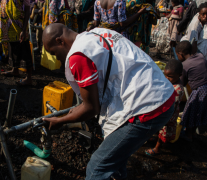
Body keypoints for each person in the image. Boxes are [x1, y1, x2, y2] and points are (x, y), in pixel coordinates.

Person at [42, 23, 176, 180]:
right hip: (161, 92)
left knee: (96, 168)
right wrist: (76, 110)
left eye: (54, 53)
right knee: (116, 160)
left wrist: (61, 121)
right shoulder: (97, 33)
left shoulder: (78, 56)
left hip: (147, 106)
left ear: (60, 41)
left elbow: (91, 108)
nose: (57, 59)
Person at [176, 41, 207, 141]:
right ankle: (193, 133)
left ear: (181, 54)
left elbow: (182, 83)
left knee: (191, 112)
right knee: (199, 112)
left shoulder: (184, 65)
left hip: (199, 91)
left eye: (177, 55)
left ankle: (188, 135)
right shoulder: (200, 56)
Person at [145, 60, 184, 156]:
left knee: (164, 131)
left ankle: (157, 148)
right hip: (164, 110)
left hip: (169, 114)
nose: (167, 78)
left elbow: (173, 105)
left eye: (170, 77)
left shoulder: (178, 89)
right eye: (165, 75)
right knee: (159, 128)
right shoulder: (170, 82)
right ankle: (156, 139)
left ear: (179, 75)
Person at [0, 0, 33, 86]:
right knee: (12, 48)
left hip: (19, 26)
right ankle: (15, 70)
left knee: (24, 49)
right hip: (8, 26)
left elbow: (27, 11)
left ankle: (28, 78)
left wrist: (24, 30)